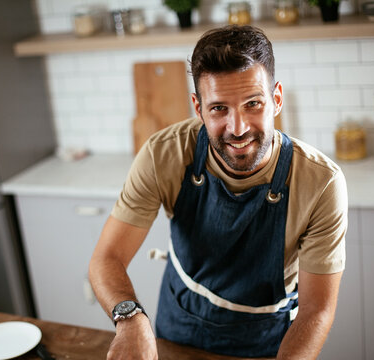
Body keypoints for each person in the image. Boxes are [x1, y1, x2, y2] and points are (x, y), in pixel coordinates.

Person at [89, 25, 347, 360]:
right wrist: (130, 319)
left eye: (253, 104)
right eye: (219, 109)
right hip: (177, 333)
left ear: (277, 99)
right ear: (198, 107)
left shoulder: (320, 183)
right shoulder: (164, 154)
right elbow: (106, 258)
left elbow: (316, 311)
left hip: (268, 345)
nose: (238, 128)